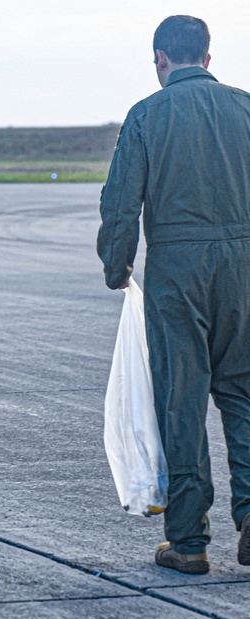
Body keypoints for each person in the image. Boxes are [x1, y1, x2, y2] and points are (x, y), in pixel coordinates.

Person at [98, 16, 250, 574]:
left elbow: (121, 204)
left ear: (160, 58)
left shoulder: (147, 114)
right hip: (245, 268)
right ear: (208, 59)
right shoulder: (247, 107)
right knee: (244, 394)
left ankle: (188, 541)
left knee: (181, 401)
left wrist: (117, 266)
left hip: (177, 270)